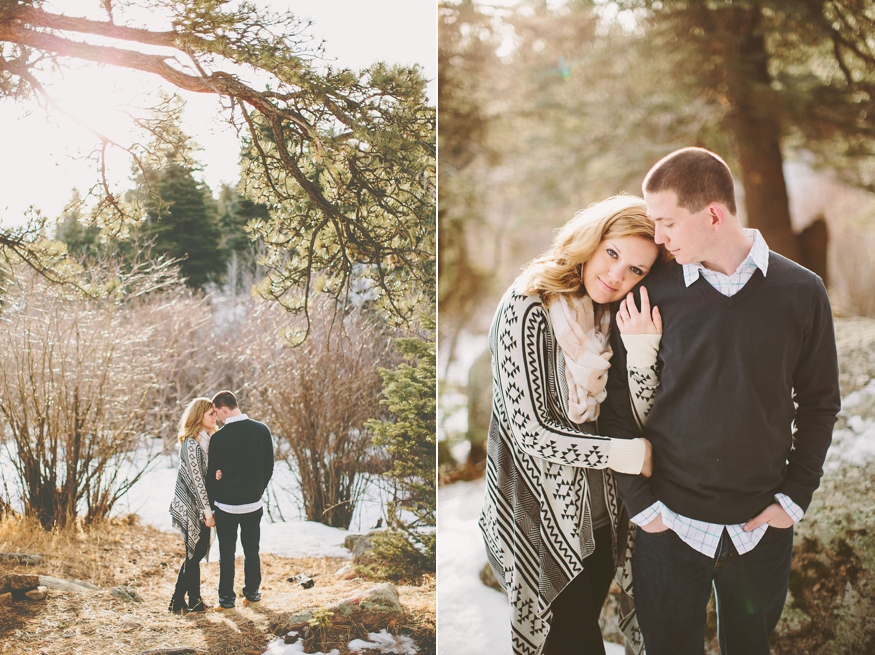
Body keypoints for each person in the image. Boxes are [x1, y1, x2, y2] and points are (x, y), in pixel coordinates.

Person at [599, 147, 841, 655]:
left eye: (666, 223)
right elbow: (616, 410)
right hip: (670, 529)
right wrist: (645, 510)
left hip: (760, 531)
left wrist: (793, 498)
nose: (658, 239)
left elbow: (820, 403)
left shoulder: (802, 291)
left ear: (712, 214)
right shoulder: (650, 295)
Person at [478, 195, 670, 655]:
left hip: (601, 520)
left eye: (636, 270)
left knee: (582, 634)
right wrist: (626, 453)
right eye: (613, 253)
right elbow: (531, 431)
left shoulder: (609, 315)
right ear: (592, 238)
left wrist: (642, 354)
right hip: (538, 522)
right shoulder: (526, 309)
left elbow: (639, 416)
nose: (617, 276)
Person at [207, 390, 274, 610]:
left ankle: (226, 600)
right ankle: (252, 594)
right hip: (253, 504)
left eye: (216, 412)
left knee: (227, 553)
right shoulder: (261, 430)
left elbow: (212, 475)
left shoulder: (219, 437)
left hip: (226, 506)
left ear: (224, 409)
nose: (216, 417)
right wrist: (257, 490)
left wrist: (214, 500)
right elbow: (269, 467)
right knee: (251, 550)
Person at [168, 397, 218, 613]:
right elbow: (197, 482)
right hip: (191, 505)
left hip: (200, 504)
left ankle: (192, 601)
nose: (215, 417)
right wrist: (207, 513)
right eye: (211, 414)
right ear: (199, 417)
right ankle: (177, 600)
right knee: (194, 552)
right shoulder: (191, 444)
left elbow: (206, 475)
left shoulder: (206, 440)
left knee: (194, 553)